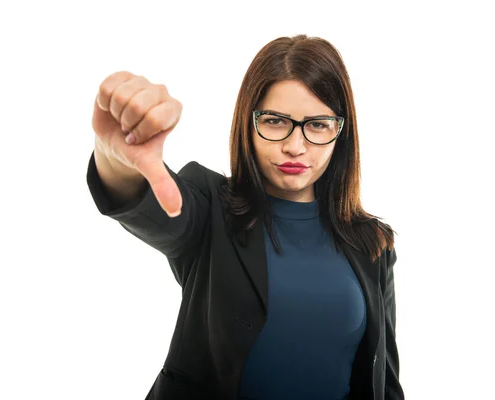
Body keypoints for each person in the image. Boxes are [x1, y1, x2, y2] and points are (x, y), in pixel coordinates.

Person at [86, 34, 404, 400]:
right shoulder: (210, 208)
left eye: (317, 124)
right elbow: (148, 205)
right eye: (274, 121)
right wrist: (115, 159)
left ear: (340, 132)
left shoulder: (372, 241)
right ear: (247, 122)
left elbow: (385, 381)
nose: (295, 145)